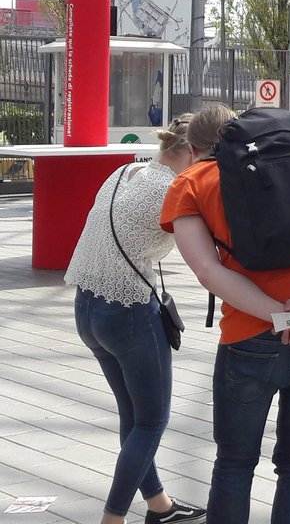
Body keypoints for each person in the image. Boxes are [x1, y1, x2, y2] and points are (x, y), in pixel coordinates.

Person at [161, 104, 290, 524]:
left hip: (249, 338)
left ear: (194, 145)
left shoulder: (191, 183)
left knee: (235, 463)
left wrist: (282, 317)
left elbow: (207, 270)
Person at [64, 114, 206, 524]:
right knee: (151, 421)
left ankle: (158, 505)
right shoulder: (176, 189)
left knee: (134, 416)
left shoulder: (123, 171)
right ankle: (113, 518)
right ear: (193, 153)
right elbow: (205, 251)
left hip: (87, 309)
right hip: (128, 314)